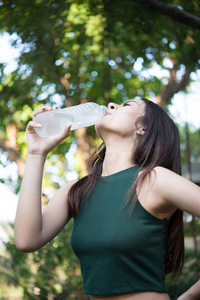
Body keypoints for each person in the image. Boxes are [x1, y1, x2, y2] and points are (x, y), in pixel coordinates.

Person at [14, 98, 200, 300]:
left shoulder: (155, 179)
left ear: (143, 128)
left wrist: (189, 297)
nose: (111, 104)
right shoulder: (76, 191)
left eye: (126, 105)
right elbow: (26, 240)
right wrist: (35, 153)